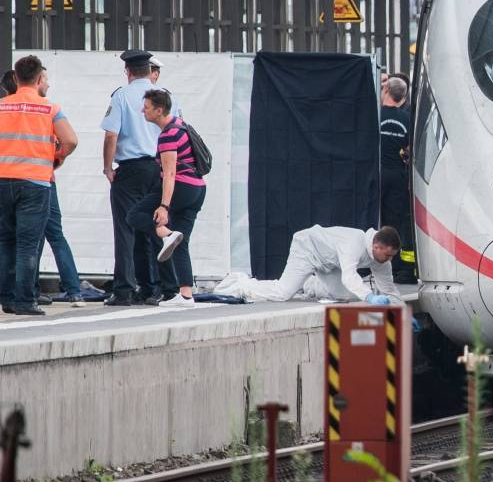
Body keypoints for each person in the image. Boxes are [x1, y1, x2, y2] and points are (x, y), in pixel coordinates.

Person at [0, 55, 79, 316]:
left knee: (5, 239)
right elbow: (70, 140)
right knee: (27, 243)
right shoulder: (50, 109)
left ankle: (8, 299)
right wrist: (56, 158)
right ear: (38, 79)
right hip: (35, 184)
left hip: (1, 183)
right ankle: (26, 301)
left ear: (15, 78)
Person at [127, 89, 205, 307]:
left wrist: (164, 206)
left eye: (147, 107)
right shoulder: (181, 125)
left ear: (159, 110)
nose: (143, 110)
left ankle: (165, 233)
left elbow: (170, 173)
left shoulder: (168, 135)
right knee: (182, 242)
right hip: (198, 189)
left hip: (181, 186)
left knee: (134, 215)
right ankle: (186, 295)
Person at [102, 50, 164, 305]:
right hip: (160, 169)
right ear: (151, 71)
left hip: (130, 171)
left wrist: (107, 168)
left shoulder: (121, 96)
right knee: (155, 228)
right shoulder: (166, 96)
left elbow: (110, 136)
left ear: (127, 71)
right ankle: (156, 287)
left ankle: (125, 289)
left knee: (126, 231)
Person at [215, 226, 400, 304]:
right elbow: (349, 276)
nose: (389, 260)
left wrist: (404, 316)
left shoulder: (381, 259)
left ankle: (308, 284)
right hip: (307, 248)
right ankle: (241, 283)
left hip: (330, 263)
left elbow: (389, 289)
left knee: (345, 296)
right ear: (376, 246)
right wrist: (369, 297)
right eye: (388, 255)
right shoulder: (354, 243)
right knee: (282, 293)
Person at [378, 75, 415, 284]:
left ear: (385, 92)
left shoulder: (375, 115)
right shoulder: (406, 119)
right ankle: (398, 268)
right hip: (398, 177)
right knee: (396, 221)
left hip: (376, 174)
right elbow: (410, 151)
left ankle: (373, 262)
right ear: (403, 97)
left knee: (375, 218)